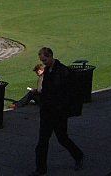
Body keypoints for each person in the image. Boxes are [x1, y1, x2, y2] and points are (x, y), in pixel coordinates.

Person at [29, 47, 84, 175]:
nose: (43, 62)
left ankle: (78, 155)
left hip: (58, 113)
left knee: (62, 138)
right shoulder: (48, 71)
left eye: (45, 59)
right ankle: (41, 169)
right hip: (48, 112)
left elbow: (69, 93)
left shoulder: (63, 72)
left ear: (51, 56)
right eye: (42, 60)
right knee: (42, 141)